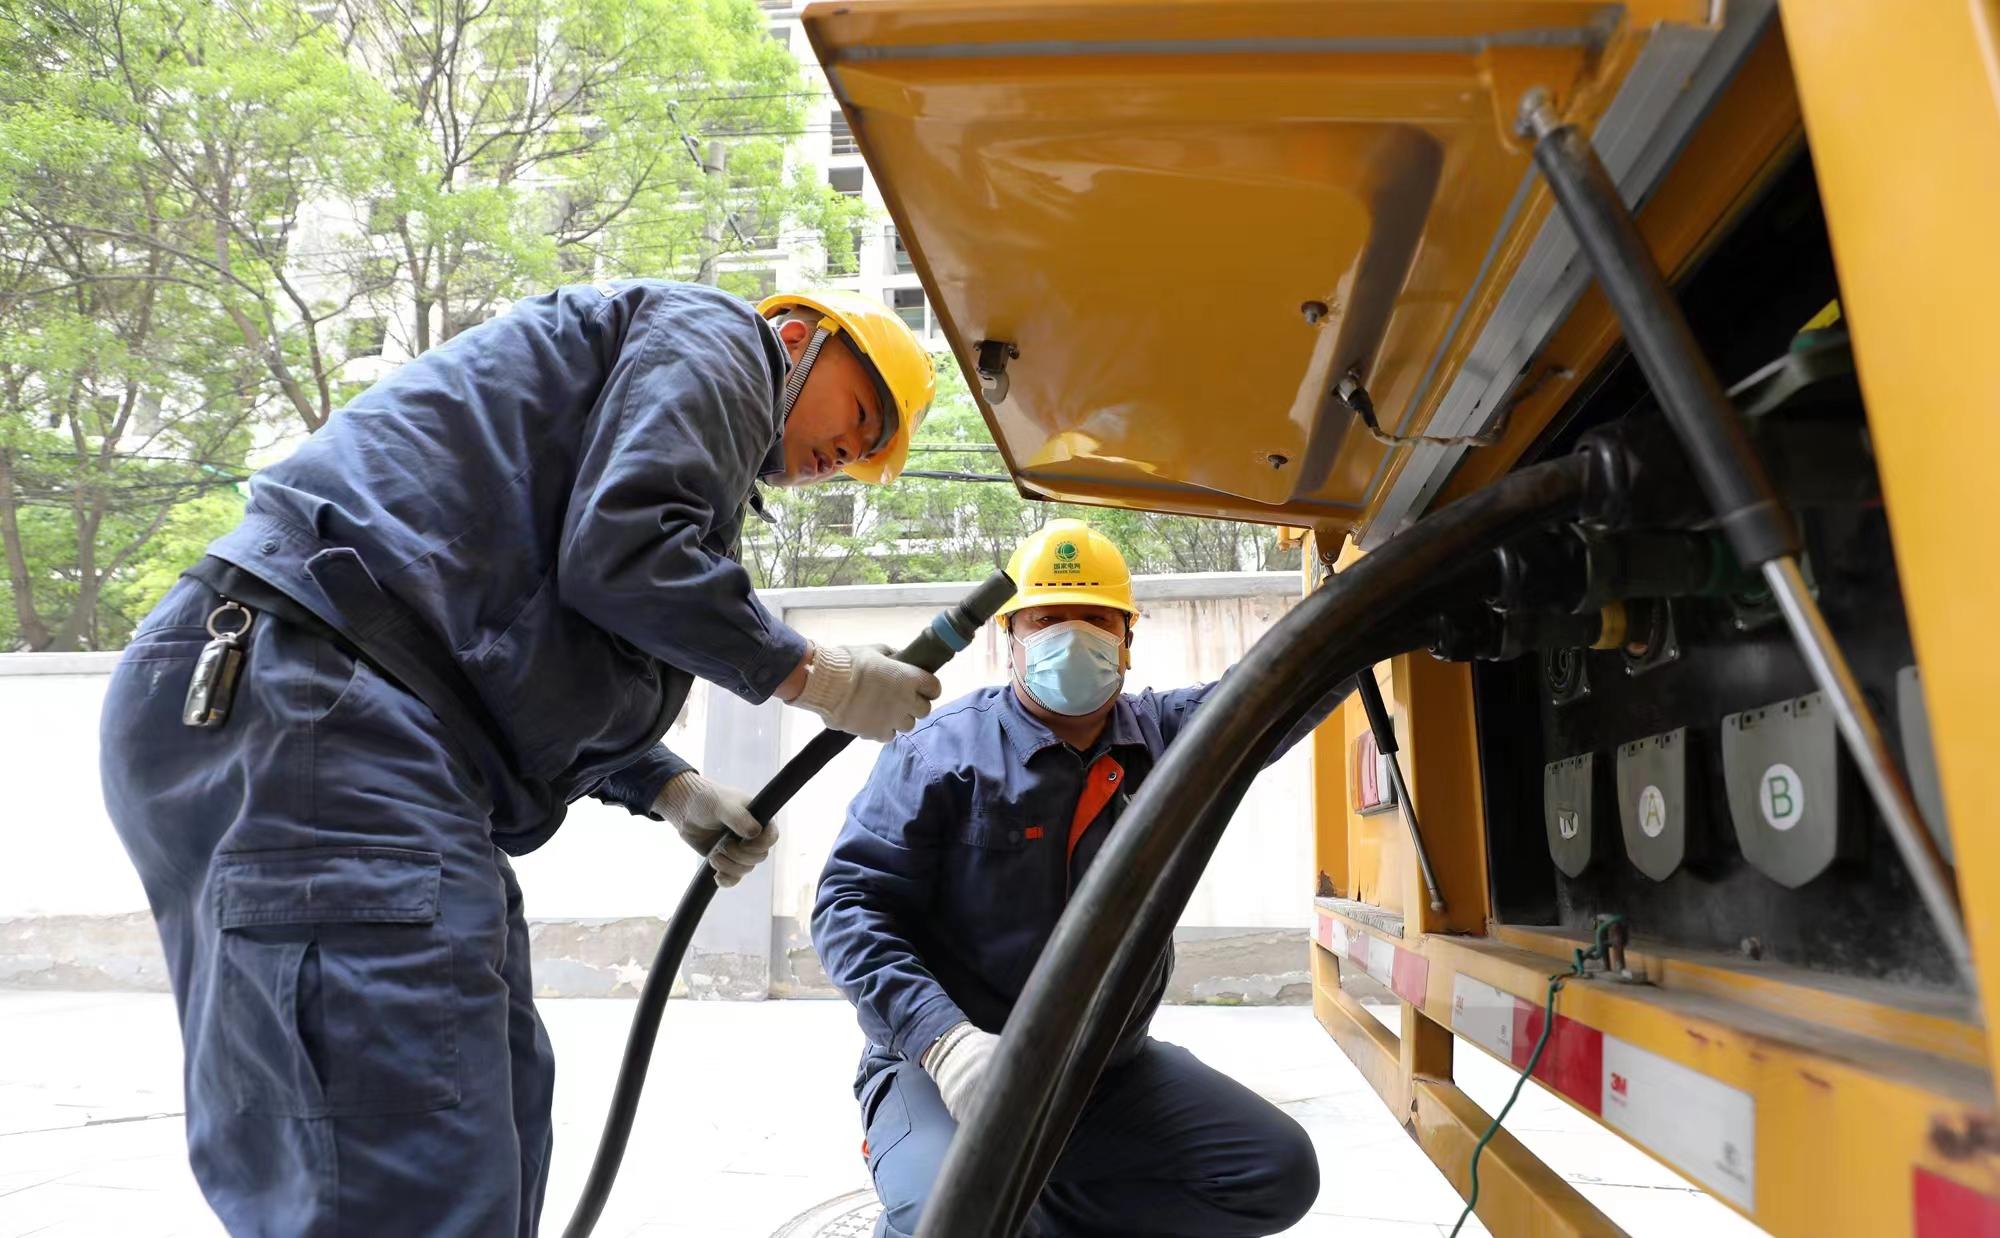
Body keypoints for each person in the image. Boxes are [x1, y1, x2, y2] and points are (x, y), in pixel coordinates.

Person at [98, 281, 941, 1236]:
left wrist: (661, 781)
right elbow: (626, 556)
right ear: (800, 336)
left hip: (348, 723)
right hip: (318, 708)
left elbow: (517, 634)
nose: (847, 458)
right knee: (409, 1170)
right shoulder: (724, 340)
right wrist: (816, 675)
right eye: (862, 417)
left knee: (479, 1122)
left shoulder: (640, 408)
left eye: (868, 459)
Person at [813, 520, 1335, 1238]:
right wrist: (943, 1041)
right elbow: (849, 906)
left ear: (1126, 637)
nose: (1073, 635)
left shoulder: (1167, 741)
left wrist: (1373, 616)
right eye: (1048, 618)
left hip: (1101, 1073)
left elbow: (1280, 691)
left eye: (1095, 617)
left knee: (1273, 1174)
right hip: (947, 1070)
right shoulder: (939, 757)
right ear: (1010, 638)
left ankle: (1029, 1220)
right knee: (949, 1215)